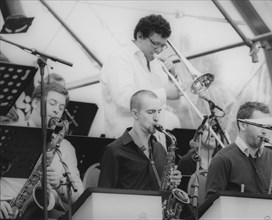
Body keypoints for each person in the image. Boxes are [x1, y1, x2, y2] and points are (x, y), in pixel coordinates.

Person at [0, 82, 84, 219]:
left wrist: (59, 185)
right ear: (35, 102)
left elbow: (80, 196)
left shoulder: (66, 147)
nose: (57, 110)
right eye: (52, 103)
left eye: (61, 107)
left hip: (43, 213)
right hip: (6, 208)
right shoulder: (9, 134)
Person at [99, 14, 182, 140]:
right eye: (156, 44)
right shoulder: (120, 58)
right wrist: (164, 93)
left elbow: (176, 106)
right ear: (140, 36)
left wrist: (173, 77)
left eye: (163, 46)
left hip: (156, 143)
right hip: (126, 144)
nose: (159, 50)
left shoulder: (157, 64)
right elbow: (124, 99)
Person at [204, 102, 272, 206]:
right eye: (260, 125)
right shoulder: (222, 159)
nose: (265, 131)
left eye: (267, 126)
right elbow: (211, 205)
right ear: (243, 125)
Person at [98, 90, 182, 190]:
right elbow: (104, 195)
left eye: (158, 111)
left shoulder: (160, 149)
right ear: (135, 114)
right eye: (150, 112)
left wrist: (172, 182)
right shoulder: (114, 151)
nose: (156, 118)